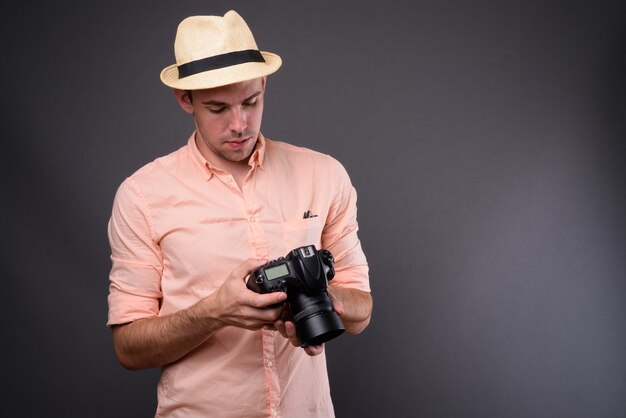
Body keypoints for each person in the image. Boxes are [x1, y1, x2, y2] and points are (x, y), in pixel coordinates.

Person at [106, 10, 372, 418]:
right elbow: (129, 348)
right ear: (185, 99)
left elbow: (361, 311)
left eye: (251, 101)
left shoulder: (324, 174)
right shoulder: (141, 196)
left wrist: (311, 293)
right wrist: (213, 311)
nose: (239, 124)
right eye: (217, 108)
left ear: (264, 83)